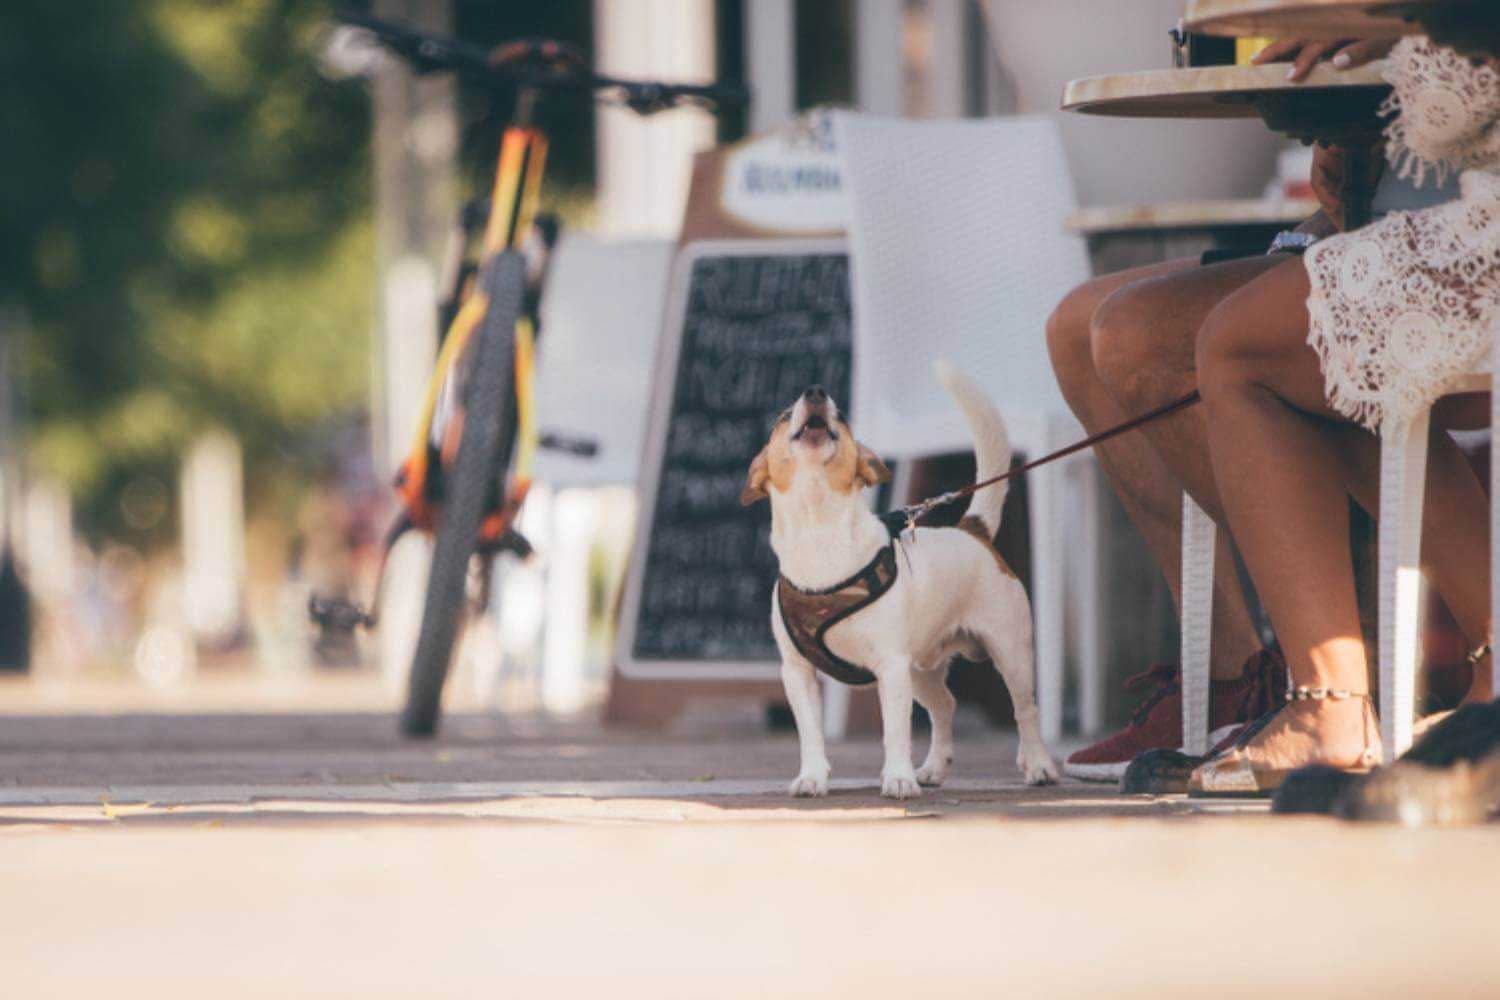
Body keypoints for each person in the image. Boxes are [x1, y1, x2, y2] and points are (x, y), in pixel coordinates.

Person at [1050, 37, 1487, 784]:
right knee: (1095, 321)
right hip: (1409, 209)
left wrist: (1370, 24)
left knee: (1236, 345)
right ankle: (1254, 668)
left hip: (1466, 230)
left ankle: (1342, 677)